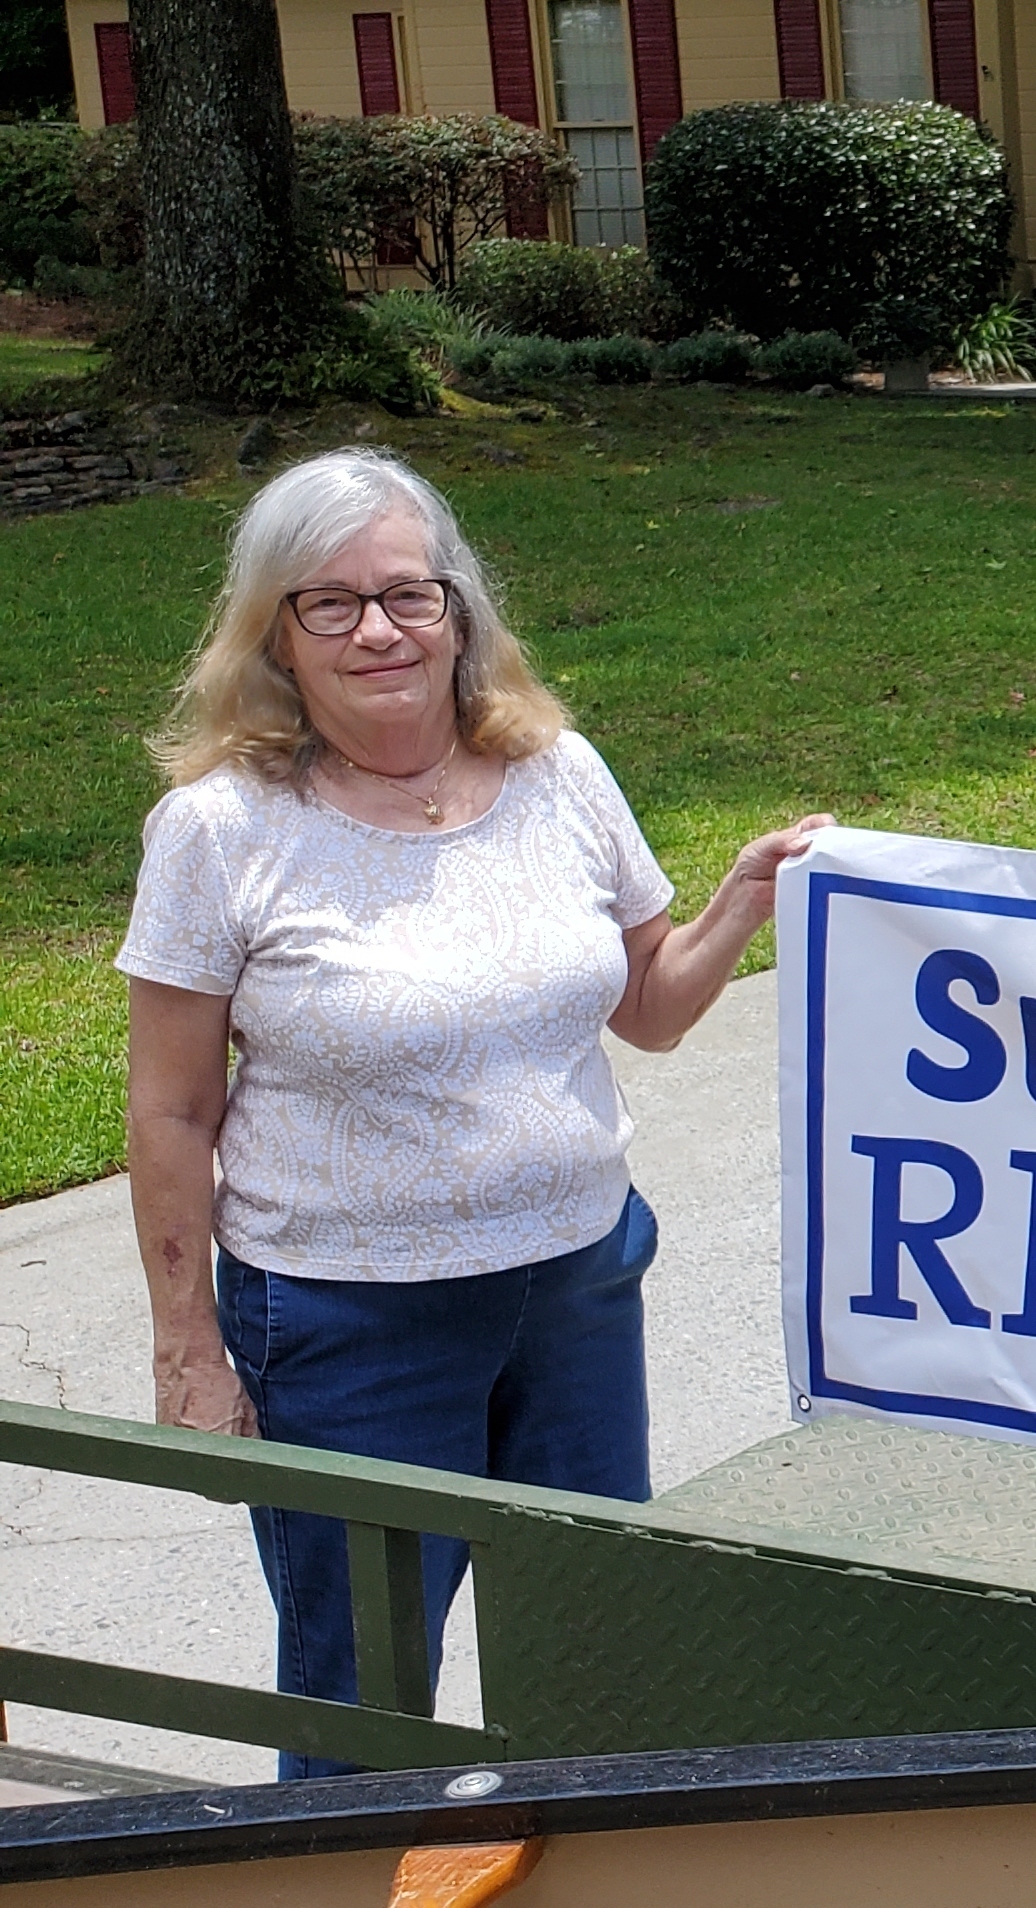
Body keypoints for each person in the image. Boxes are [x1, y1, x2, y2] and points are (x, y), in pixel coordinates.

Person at [119, 447, 825, 1776]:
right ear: (275, 634)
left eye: (408, 592)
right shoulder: (219, 831)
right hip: (349, 1321)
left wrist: (740, 897)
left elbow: (652, 1010)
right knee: (363, 1701)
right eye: (328, 603)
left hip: (574, 1288)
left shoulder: (559, 773)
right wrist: (188, 1350)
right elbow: (169, 1114)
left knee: (601, 1654)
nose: (379, 629)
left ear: (460, 609)